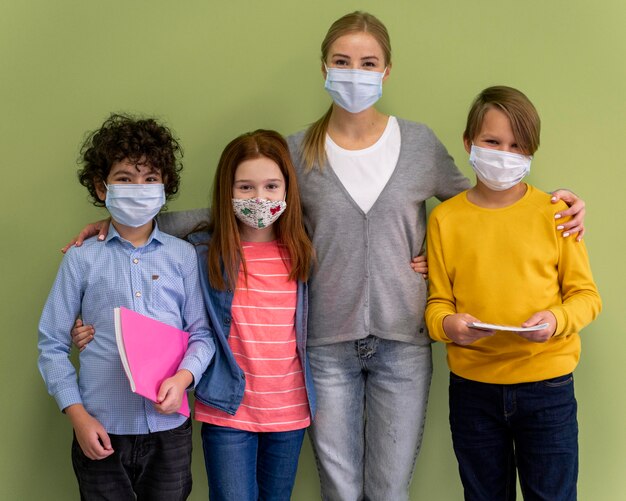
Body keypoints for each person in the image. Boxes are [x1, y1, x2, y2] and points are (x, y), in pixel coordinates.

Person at [65, 12, 588, 501]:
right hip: (323, 345)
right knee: (338, 489)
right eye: (342, 61)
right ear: (324, 67)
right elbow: (232, 209)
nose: (354, 73)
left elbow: (480, 206)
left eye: (367, 62)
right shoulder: (296, 151)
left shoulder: (420, 144)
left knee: (388, 489)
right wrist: (131, 223)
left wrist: (557, 204)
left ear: (387, 69)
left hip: (404, 340)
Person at [425, 86, 602, 500]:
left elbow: (586, 296)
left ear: (531, 152)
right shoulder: (445, 219)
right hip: (473, 392)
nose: (504, 153)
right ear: (469, 143)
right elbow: (437, 303)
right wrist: (448, 326)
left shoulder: (557, 213)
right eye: (492, 142)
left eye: (517, 145)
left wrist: (556, 320)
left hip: (548, 389)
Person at [38, 114, 215, 500]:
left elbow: (202, 335)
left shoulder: (183, 257)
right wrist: (78, 416)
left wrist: (184, 378)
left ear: (165, 187)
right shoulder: (81, 258)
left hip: (169, 430)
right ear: (102, 188)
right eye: (124, 178)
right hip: (100, 427)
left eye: (150, 179)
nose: (138, 188)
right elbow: (51, 345)